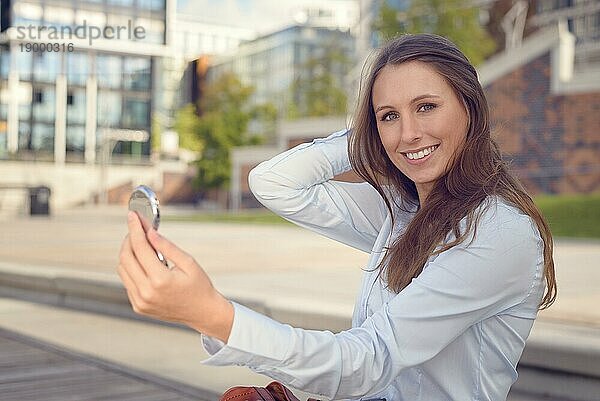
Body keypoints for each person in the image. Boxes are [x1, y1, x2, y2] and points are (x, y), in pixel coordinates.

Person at [118, 33, 557, 401]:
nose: (409, 133)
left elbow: (368, 361)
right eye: (390, 116)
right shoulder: (403, 209)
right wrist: (368, 134)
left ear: (470, 107)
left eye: (426, 107)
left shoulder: (499, 232)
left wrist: (213, 314)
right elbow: (274, 183)